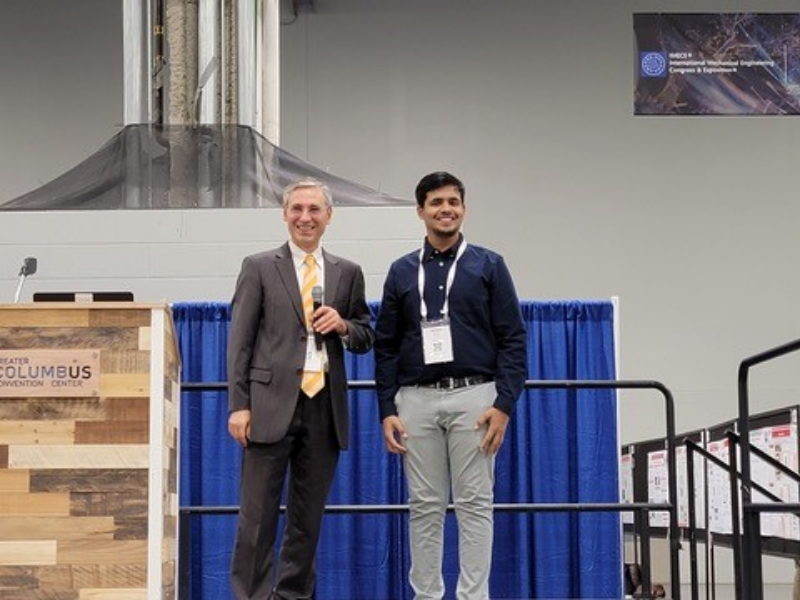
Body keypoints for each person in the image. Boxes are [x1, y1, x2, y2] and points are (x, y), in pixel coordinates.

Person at [374, 171, 528, 599]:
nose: (446, 209)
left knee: (475, 505)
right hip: (416, 401)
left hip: (476, 398)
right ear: (420, 211)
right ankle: (426, 595)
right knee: (424, 508)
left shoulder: (489, 265)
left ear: (464, 208)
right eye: (436, 202)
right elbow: (385, 345)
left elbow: (513, 338)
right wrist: (387, 409)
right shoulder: (401, 271)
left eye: (453, 202)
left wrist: (504, 404)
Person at [227, 177, 374, 600]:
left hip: (324, 408)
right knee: (256, 520)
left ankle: (293, 596)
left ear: (329, 216)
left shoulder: (348, 272)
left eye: (314, 210)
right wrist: (239, 405)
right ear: (284, 214)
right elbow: (240, 342)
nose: (305, 217)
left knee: (307, 522)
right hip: (268, 406)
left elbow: (365, 334)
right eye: (297, 209)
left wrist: (343, 325)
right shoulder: (258, 266)